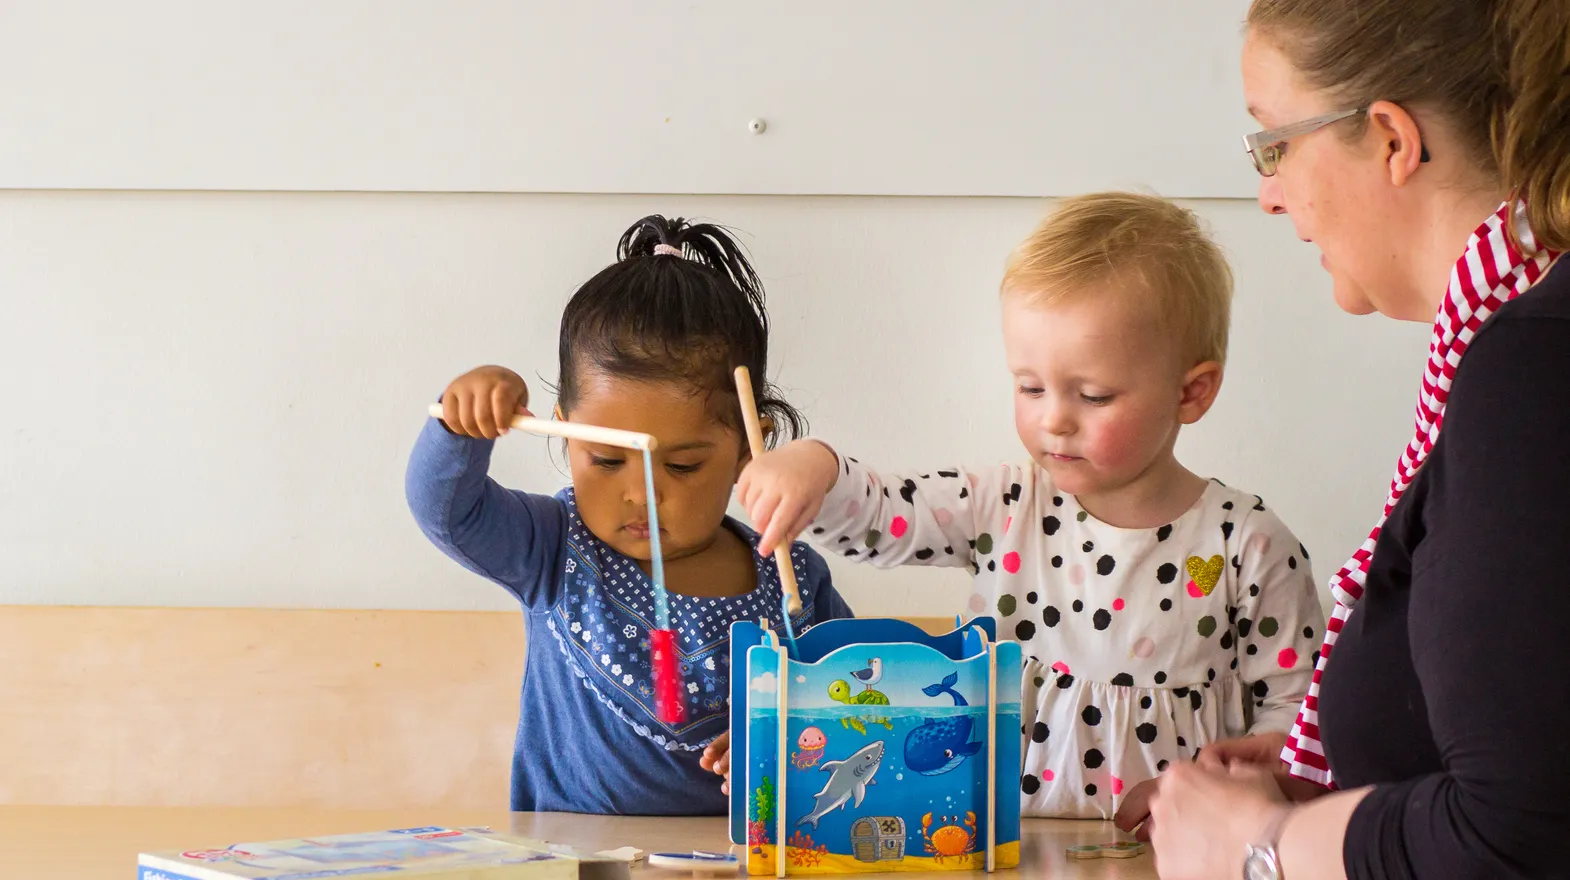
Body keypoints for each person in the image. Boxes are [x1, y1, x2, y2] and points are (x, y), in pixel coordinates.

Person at [1117, 2, 1570, 877]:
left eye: (1274, 145)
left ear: (1393, 140)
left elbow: (1518, 833)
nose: (1269, 193)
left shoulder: (1534, 365)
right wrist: (1345, 779)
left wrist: (1259, 846)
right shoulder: (1521, 344)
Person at [735, 191, 1325, 818]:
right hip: (1003, 845)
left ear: (1191, 393)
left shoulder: (1248, 544)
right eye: (1030, 387)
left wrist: (1251, 784)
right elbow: (882, 517)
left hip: (1174, 850)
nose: (1054, 420)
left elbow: (1297, 711)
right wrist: (818, 469)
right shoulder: (1002, 505)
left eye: (1093, 396)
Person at [405, 215, 854, 815]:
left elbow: (852, 700)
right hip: (574, 853)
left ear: (750, 446)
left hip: (738, 853)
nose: (642, 494)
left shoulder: (792, 577)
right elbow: (446, 512)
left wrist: (785, 734)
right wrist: (459, 425)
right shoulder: (550, 548)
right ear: (564, 430)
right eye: (608, 460)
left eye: (683, 466)